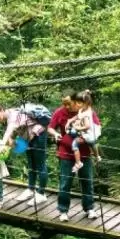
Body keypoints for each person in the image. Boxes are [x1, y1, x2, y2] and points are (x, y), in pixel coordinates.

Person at [48, 92, 101, 222]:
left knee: (87, 181)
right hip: (65, 153)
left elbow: (96, 128)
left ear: (77, 102)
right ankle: (63, 210)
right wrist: (55, 134)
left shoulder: (88, 112)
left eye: (69, 104)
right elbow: (50, 127)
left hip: (84, 153)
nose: (67, 107)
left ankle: (89, 208)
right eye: (64, 104)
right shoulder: (60, 112)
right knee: (65, 183)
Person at [0, 103, 49, 203]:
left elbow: (10, 130)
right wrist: (10, 141)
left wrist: (2, 144)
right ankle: (31, 189)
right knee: (31, 164)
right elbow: (16, 129)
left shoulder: (13, 114)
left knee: (40, 165)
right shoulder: (7, 118)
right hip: (28, 137)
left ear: (2, 109)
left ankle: (41, 193)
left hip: (38, 134)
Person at [65, 89, 101, 173]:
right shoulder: (84, 109)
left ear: (85, 103)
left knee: (75, 144)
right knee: (92, 144)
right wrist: (70, 120)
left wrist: (77, 127)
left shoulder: (86, 114)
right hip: (91, 134)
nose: (77, 104)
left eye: (79, 103)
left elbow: (87, 126)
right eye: (77, 102)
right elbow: (78, 116)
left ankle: (78, 163)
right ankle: (97, 156)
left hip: (88, 134)